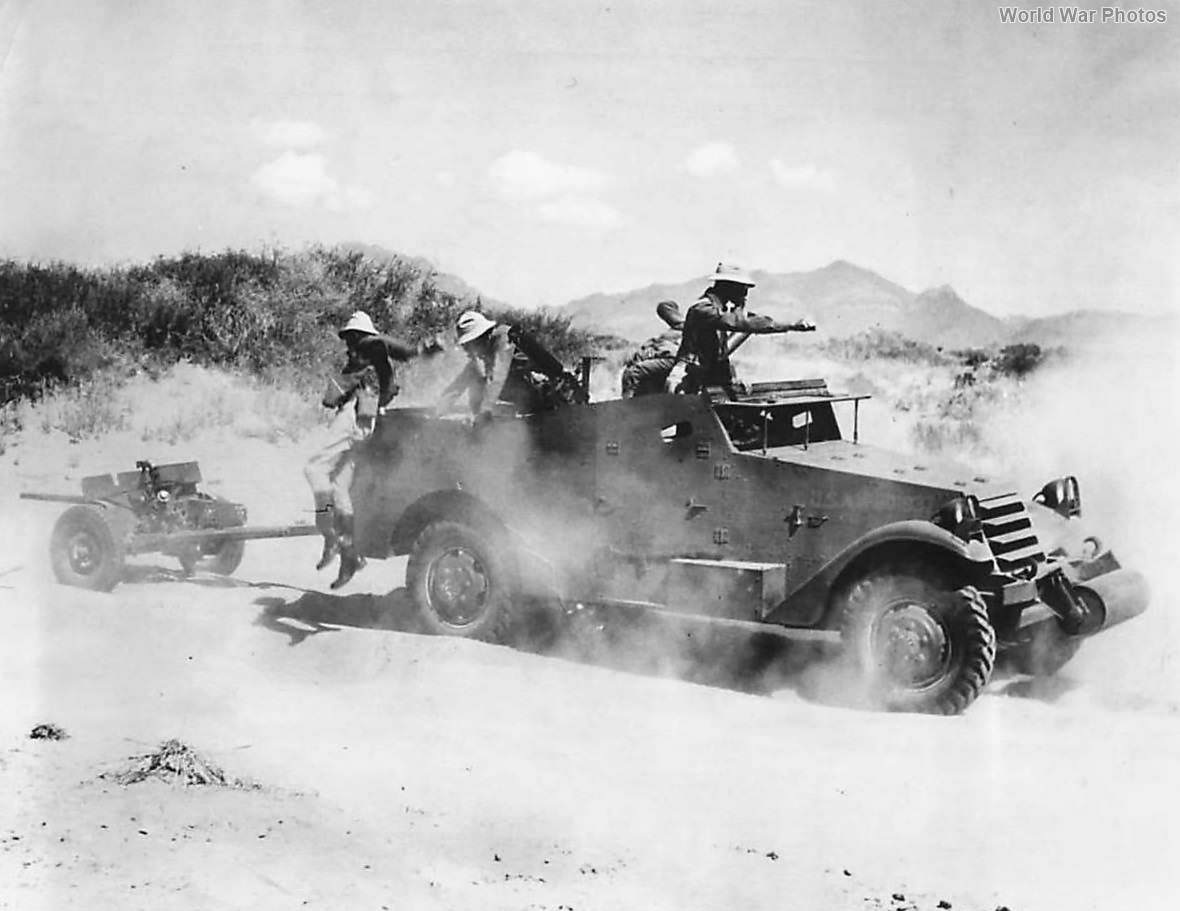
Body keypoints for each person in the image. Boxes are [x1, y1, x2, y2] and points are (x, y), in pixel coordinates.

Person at [304, 310, 442, 589]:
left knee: (315, 468)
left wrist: (421, 349)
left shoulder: (368, 345)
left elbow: (388, 346)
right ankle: (349, 554)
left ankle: (330, 534)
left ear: (357, 335)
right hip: (366, 422)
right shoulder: (373, 360)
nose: (347, 344)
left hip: (354, 416)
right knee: (340, 486)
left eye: (350, 337)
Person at [667, 262, 815, 395]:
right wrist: (792, 325)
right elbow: (740, 323)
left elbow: (749, 324)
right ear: (726, 286)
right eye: (742, 288)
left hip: (707, 377)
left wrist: (733, 380)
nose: (745, 293)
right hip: (688, 380)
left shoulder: (721, 310)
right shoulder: (703, 309)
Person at [436, 310, 583, 419]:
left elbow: (497, 376)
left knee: (482, 384)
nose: (467, 350)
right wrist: (439, 411)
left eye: (469, 344)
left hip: (551, 394)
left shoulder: (503, 338)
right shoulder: (485, 350)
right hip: (528, 393)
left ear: (480, 337)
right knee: (477, 380)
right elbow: (462, 380)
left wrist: (484, 413)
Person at [620, 300, 684, 398]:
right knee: (634, 370)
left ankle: (625, 406)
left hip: (672, 360)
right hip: (667, 358)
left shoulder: (685, 328)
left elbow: (671, 351)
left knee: (632, 372)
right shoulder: (672, 332)